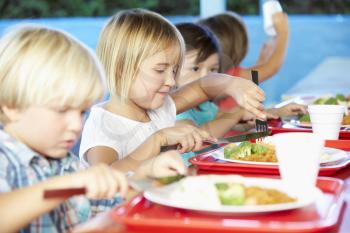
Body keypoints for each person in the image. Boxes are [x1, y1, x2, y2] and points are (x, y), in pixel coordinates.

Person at [0, 24, 185, 233]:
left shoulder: (64, 163)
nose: (76, 125)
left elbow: (107, 204)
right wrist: (65, 186)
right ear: (12, 106)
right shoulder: (5, 159)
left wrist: (146, 174)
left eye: (81, 112)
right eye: (61, 110)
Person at [79, 9, 265, 173]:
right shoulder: (103, 124)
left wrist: (232, 84)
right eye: (160, 70)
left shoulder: (159, 108)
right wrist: (158, 139)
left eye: (174, 70)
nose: (171, 81)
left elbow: (203, 86)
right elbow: (105, 176)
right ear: (121, 69)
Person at [199, 11, 289, 110]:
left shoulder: (214, 77)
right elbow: (272, 68)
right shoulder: (232, 77)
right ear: (239, 47)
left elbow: (254, 78)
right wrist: (283, 33)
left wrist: (261, 62)